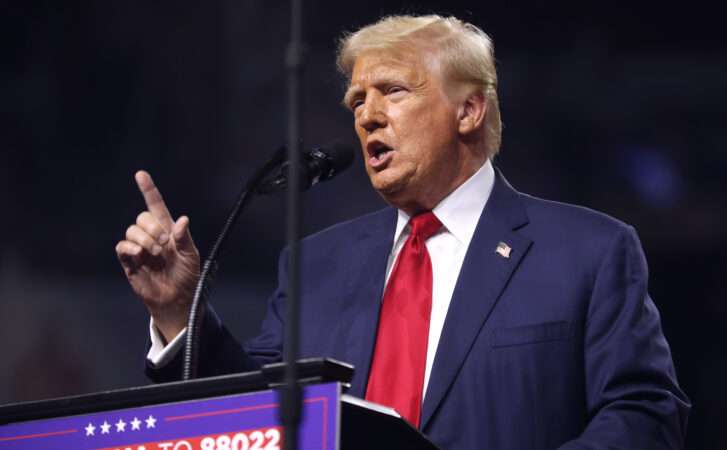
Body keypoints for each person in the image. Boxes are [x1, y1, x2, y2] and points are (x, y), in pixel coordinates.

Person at [116, 15, 690, 450]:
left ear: (468, 111)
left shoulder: (587, 252)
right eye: (356, 100)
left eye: (392, 91)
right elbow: (254, 418)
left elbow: (645, 413)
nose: (366, 115)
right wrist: (178, 311)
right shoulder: (316, 265)